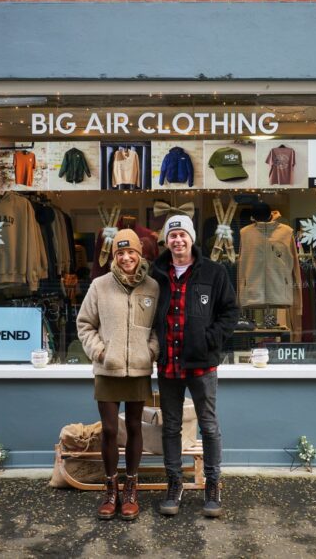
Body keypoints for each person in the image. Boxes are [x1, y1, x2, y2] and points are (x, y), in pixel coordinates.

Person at [150, 214, 239, 518]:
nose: (177, 240)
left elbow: (230, 312)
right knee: (171, 427)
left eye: (182, 235)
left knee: (209, 426)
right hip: (169, 365)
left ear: (191, 239)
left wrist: (209, 339)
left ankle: (212, 486)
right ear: (166, 240)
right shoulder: (156, 273)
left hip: (202, 365)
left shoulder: (213, 273)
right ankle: (175, 484)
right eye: (172, 235)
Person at [76, 229, 159, 521]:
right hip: (107, 369)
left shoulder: (152, 287)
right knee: (110, 430)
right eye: (120, 253)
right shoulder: (100, 286)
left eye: (131, 252)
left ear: (140, 254)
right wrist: (99, 352)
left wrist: (150, 351)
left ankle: (131, 489)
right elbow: (84, 323)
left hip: (138, 369)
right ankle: (111, 490)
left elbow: (158, 329)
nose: (126, 258)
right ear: (114, 256)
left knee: (135, 428)